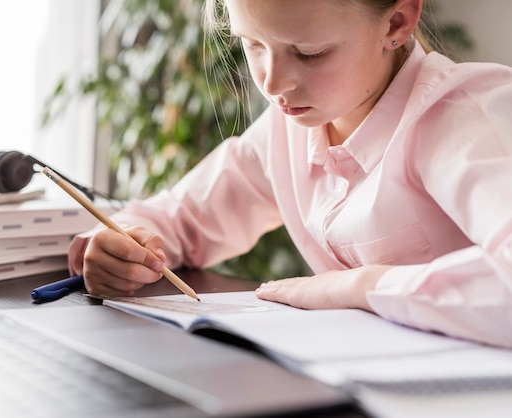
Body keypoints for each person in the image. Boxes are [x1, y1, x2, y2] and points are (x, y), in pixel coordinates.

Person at [68, 0, 512, 349]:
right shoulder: (291, 128)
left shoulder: (464, 118)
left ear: (396, 23)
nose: (273, 83)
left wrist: (360, 286)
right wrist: (127, 244)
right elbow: (185, 218)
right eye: (253, 45)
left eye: (309, 52)